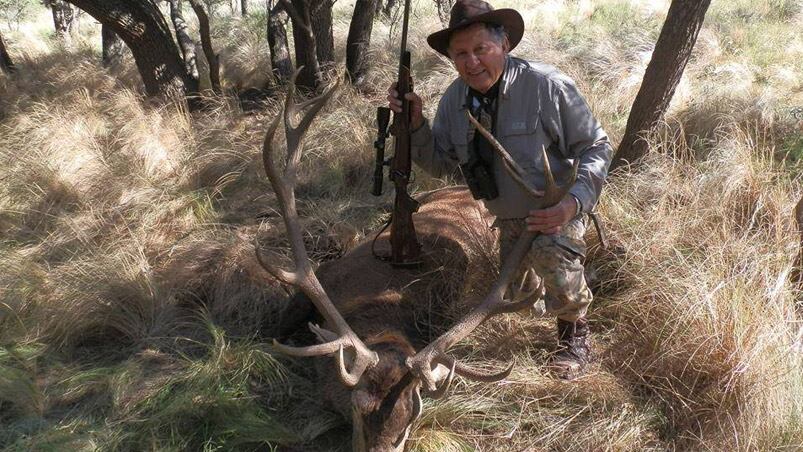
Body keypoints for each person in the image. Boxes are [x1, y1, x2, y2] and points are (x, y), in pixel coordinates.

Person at [387, 0, 612, 380]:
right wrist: (414, 127)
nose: (471, 62)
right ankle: (559, 287)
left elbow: (597, 147)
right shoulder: (454, 100)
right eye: (460, 54)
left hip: (554, 214)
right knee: (519, 304)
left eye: (481, 49)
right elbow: (441, 163)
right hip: (506, 217)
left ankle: (574, 335)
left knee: (553, 260)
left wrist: (573, 204)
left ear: (504, 44)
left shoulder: (547, 87)